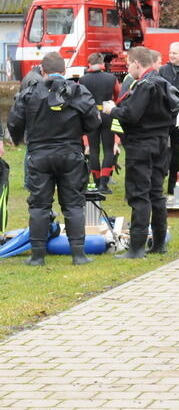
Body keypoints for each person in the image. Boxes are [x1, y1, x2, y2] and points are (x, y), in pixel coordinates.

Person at [8, 52, 101, 266]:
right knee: (74, 204)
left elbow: (14, 121)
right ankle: (78, 254)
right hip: (70, 153)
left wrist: (19, 140)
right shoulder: (77, 91)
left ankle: (37, 256)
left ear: (42, 70)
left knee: (39, 205)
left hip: (40, 154)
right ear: (65, 70)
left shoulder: (30, 92)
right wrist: (80, 132)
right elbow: (93, 121)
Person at [103, 46, 179, 258]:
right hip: (161, 143)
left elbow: (131, 114)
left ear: (137, 63)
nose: (128, 69)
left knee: (139, 194)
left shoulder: (145, 85)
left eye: (129, 64)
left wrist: (112, 110)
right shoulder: (164, 83)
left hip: (141, 145)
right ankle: (159, 243)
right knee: (156, 193)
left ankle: (136, 248)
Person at [79, 52, 121, 194]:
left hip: (91, 115)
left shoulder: (83, 80)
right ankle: (104, 183)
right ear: (102, 63)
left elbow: (80, 98)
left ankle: (96, 182)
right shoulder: (111, 78)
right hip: (108, 113)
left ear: (89, 63)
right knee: (109, 150)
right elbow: (118, 95)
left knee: (93, 149)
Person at [159, 42, 179, 201]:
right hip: (164, 115)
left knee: (176, 152)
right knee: (163, 149)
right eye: (170, 52)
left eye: (175, 53)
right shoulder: (162, 70)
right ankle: (159, 183)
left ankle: (172, 185)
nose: (171, 55)